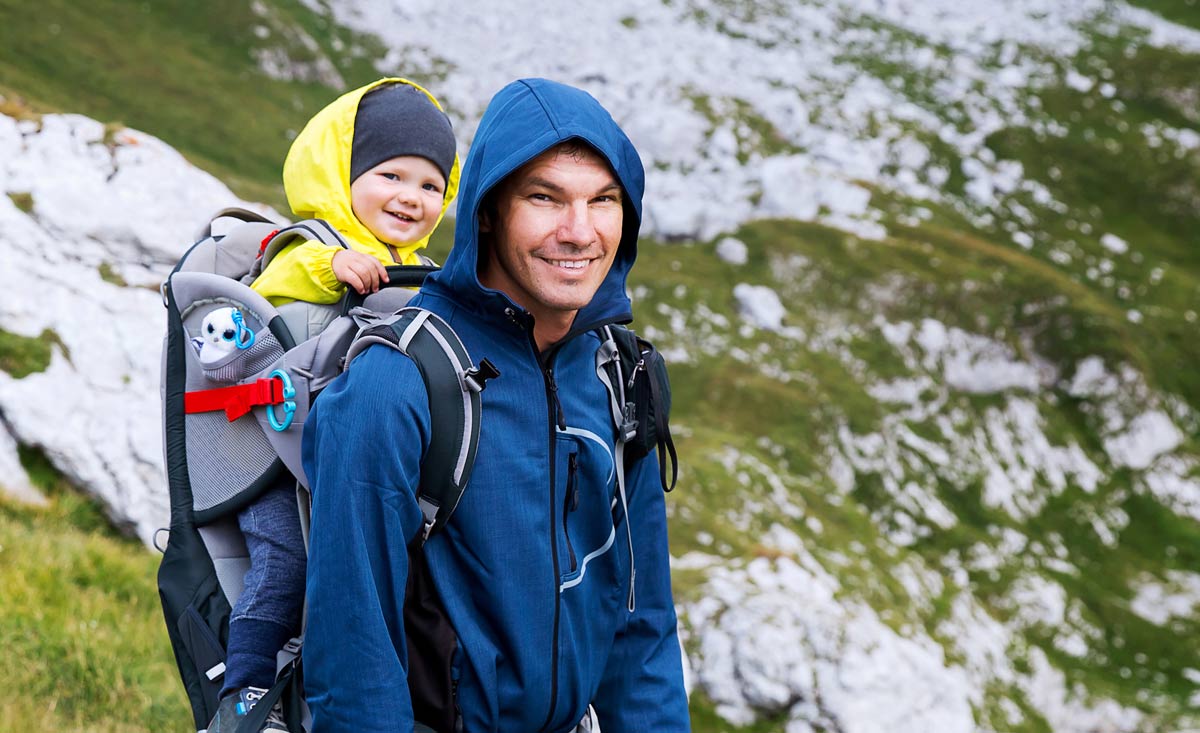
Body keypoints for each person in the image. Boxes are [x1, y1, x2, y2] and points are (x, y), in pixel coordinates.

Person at [302, 78, 691, 732]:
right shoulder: (395, 383)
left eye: (604, 199)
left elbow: (642, 626)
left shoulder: (620, 376)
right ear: (487, 210)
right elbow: (354, 660)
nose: (579, 231)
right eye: (545, 198)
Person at [207, 77, 461, 733]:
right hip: (272, 457)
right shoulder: (309, 243)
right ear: (341, 172)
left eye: (431, 185)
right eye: (390, 175)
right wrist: (336, 265)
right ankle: (243, 696)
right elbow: (281, 281)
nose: (411, 196)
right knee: (286, 560)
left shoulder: (418, 266)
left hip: (352, 464)